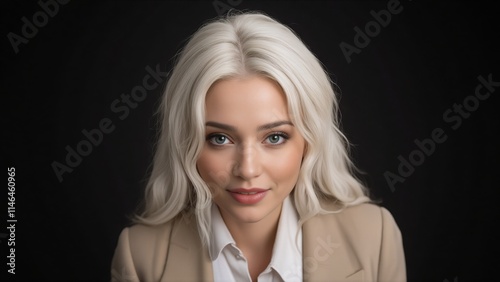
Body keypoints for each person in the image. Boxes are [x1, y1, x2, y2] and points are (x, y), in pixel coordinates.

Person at [111, 10, 406, 282]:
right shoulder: (139, 256)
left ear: (310, 140)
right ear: (185, 143)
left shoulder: (375, 236)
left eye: (275, 137)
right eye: (219, 138)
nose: (248, 170)